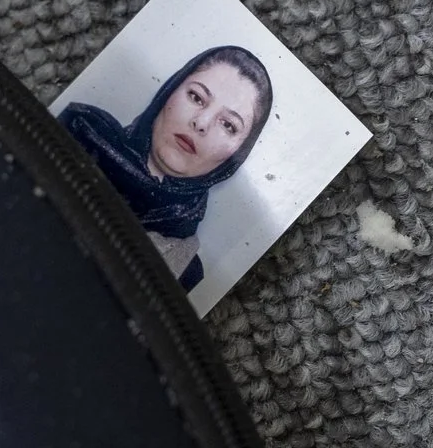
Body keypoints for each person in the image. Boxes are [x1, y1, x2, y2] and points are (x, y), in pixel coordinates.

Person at [59, 46, 273, 293]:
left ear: (237, 155)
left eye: (228, 125)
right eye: (196, 97)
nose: (201, 123)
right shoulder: (79, 134)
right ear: (169, 92)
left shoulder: (185, 271)